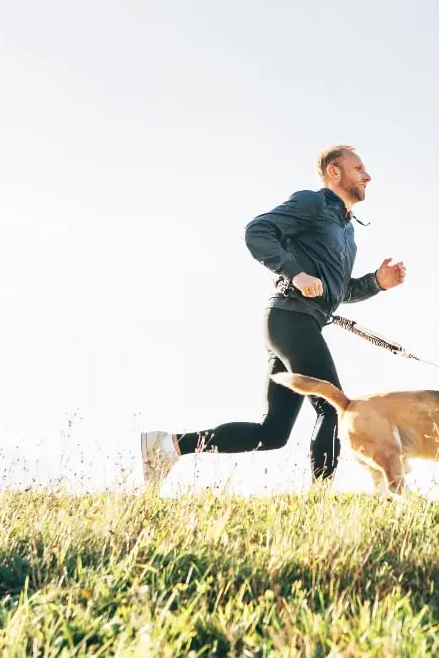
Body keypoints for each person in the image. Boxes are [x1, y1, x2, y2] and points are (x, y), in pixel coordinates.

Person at [140, 145, 406, 490]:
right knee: (334, 407)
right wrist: (295, 273)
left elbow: (335, 290)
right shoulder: (312, 203)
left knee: (273, 433)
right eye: (359, 169)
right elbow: (257, 231)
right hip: (290, 318)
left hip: (297, 323)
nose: (367, 176)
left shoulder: (347, 231)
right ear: (334, 172)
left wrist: (376, 283)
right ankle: (320, 502)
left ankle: (167, 446)